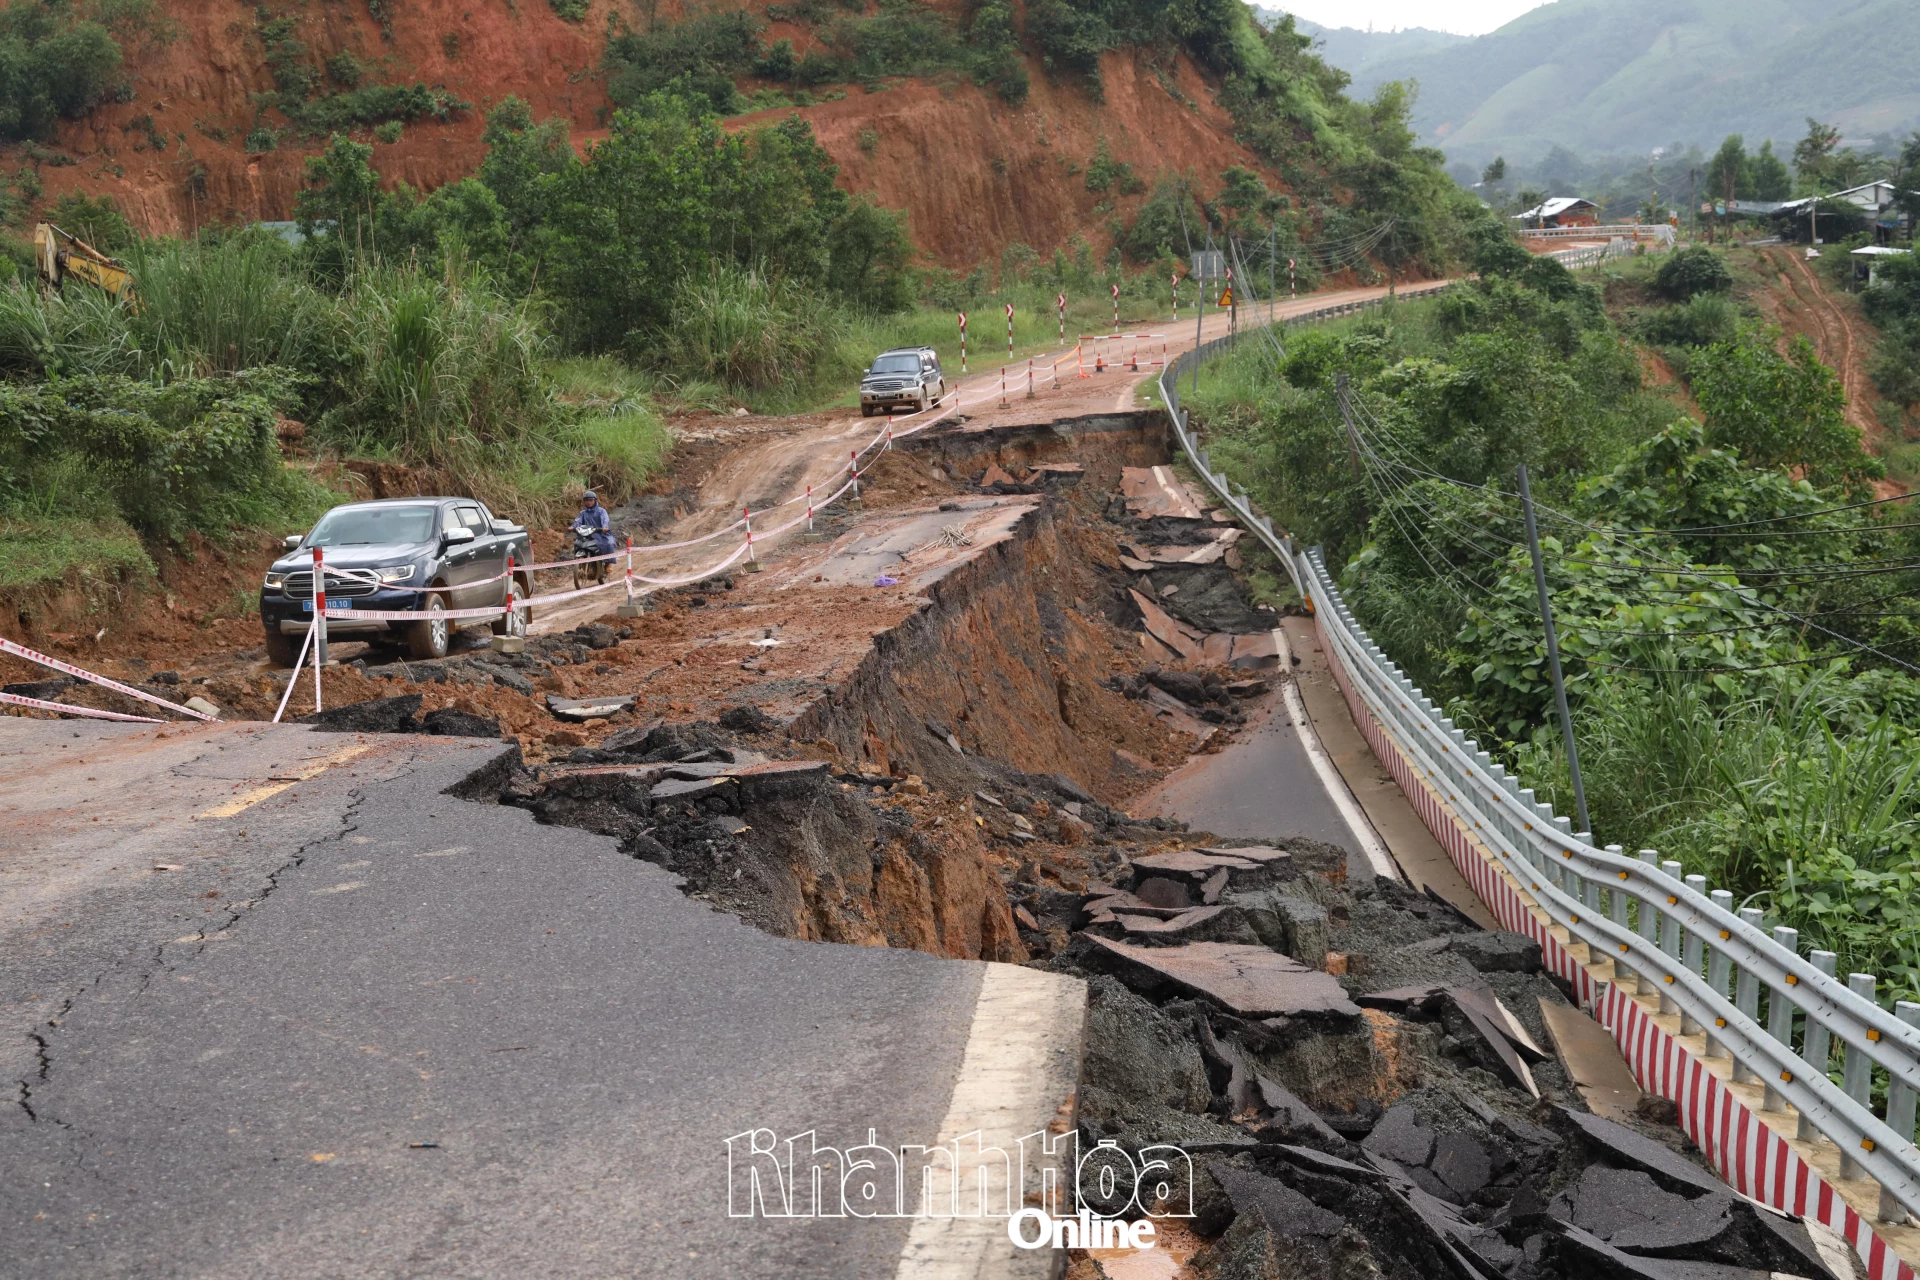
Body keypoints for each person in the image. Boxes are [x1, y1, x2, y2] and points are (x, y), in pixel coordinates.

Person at [574, 490, 614, 556]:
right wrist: (573, 527)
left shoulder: (601, 511)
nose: (589, 502)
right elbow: (578, 521)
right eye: (587, 500)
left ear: (595, 501)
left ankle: (607, 563)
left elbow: (605, 520)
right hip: (586, 535)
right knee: (577, 544)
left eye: (591, 500)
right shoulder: (582, 513)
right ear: (584, 501)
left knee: (609, 544)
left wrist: (604, 527)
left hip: (600, 534)